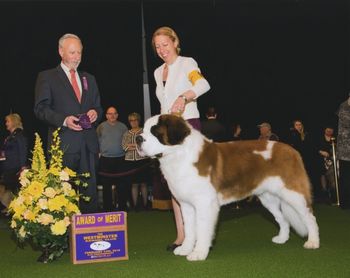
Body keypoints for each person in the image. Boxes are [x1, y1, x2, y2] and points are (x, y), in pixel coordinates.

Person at [152, 26, 210, 251]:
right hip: (168, 134)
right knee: (173, 184)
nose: (161, 50)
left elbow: (203, 84)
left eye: (165, 45)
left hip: (187, 128)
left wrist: (184, 98)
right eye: (157, 47)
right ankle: (181, 236)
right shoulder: (158, 72)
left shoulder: (188, 63)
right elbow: (163, 104)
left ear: (175, 42)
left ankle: (199, 235)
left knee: (192, 183)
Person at [34, 33, 103, 213]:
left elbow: (98, 107)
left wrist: (96, 112)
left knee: (90, 196)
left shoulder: (90, 78)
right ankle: (65, 239)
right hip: (63, 146)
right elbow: (40, 109)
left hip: (88, 145)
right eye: (72, 52)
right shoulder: (47, 77)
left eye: (79, 53)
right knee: (63, 199)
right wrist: (64, 120)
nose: (76, 57)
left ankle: (89, 239)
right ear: (61, 52)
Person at [96, 106, 128, 211]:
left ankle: (122, 208)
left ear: (117, 115)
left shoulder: (123, 127)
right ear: (106, 116)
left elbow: (127, 142)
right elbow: (96, 142)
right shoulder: (101, 127)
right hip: (105, 160)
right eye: (110, 113)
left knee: (122, 186)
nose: (112, 115)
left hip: (121, 159)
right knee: (106, 187)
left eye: (114, 113)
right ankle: (108, 209)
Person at [122, 112, 151, 211]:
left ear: (139, 120)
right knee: (134, 184)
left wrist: (133, 145)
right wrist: (138, 145)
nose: (133, 122)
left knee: (143, 184)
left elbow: (146, 146)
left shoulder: (144, 132)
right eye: (131, 120)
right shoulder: (126, 133)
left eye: (135, 120)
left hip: (142, 161)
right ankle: (135, 206)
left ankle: (145, 205)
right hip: (130, 162)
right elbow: (125, 147)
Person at [0, 113, 28, 211]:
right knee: (9, 189)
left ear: (13, 122)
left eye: (7, 121)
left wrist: (23, 167)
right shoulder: (11, 136)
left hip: (15, 169)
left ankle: (14, 210)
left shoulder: (19, 134)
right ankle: (11, 209)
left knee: (12, 190)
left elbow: (22, 150)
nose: (6, 123)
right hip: (8, 168)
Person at [336, 95, 350, 209]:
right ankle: (344, 203)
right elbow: (347, 123)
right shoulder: (344, 107)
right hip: (345, 151)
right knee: (345, 177)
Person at [317, 125, 336, 203]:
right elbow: (315, 148)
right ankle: (324, 195)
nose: (329, 130)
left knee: (333, 180)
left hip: (332, 161)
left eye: (331, 129)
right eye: (328, 128)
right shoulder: (319, 138)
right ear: (325, 129)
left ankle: (334, 196)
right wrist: (321, 152)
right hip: (321, 161)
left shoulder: (335, 139)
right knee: (323, 176)